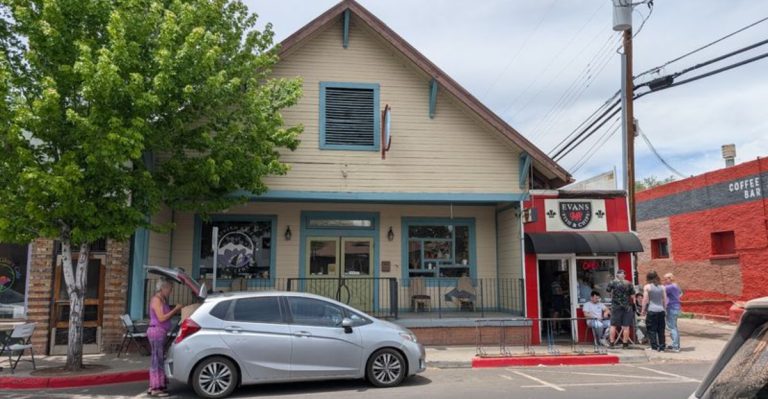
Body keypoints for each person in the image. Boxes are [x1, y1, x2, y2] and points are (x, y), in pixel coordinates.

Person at [147, 279, 182, 397]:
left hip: (160, 332)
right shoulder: (156, 300)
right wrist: (175, 310)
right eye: (170, 289)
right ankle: (156, 388)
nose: (170, 292)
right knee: (157, 359)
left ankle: (154, 385)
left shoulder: (162, 300)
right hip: (156, 331)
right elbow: (161, 318)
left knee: (157, 359)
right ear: (163, 288)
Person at [606, 269, 635, 348]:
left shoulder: (612, 283)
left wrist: (612, 296)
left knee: (613, 325)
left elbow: (608, 291)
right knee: (626, 326)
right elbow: (632, 296)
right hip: (627, 307)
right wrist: (633, 305)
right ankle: (625, 344)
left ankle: (612, 343)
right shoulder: (629, 283)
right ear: (624, 275)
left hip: (616, 306)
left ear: (617, 275)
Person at [642, 270, 668, 352]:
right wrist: (665, 309)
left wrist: (643, 310)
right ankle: (662, 346)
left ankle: (654, 346)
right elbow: (665, 299)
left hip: (652, 310)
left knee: (651, 329)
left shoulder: (647, 287)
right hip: (661, 310)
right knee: (661, 329)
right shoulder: (662, 287)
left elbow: (645, 299)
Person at [664, 272, 683, 352]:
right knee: (674, 326)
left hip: (671, 307)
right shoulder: (676, 286)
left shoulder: (670, 287)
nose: (664, 281)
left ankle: (675, 346)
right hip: (676, 307)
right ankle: (675, 344)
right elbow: (681, 293)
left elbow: (661, 290)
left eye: (666, 279)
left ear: (670, 278)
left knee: (672, 327)